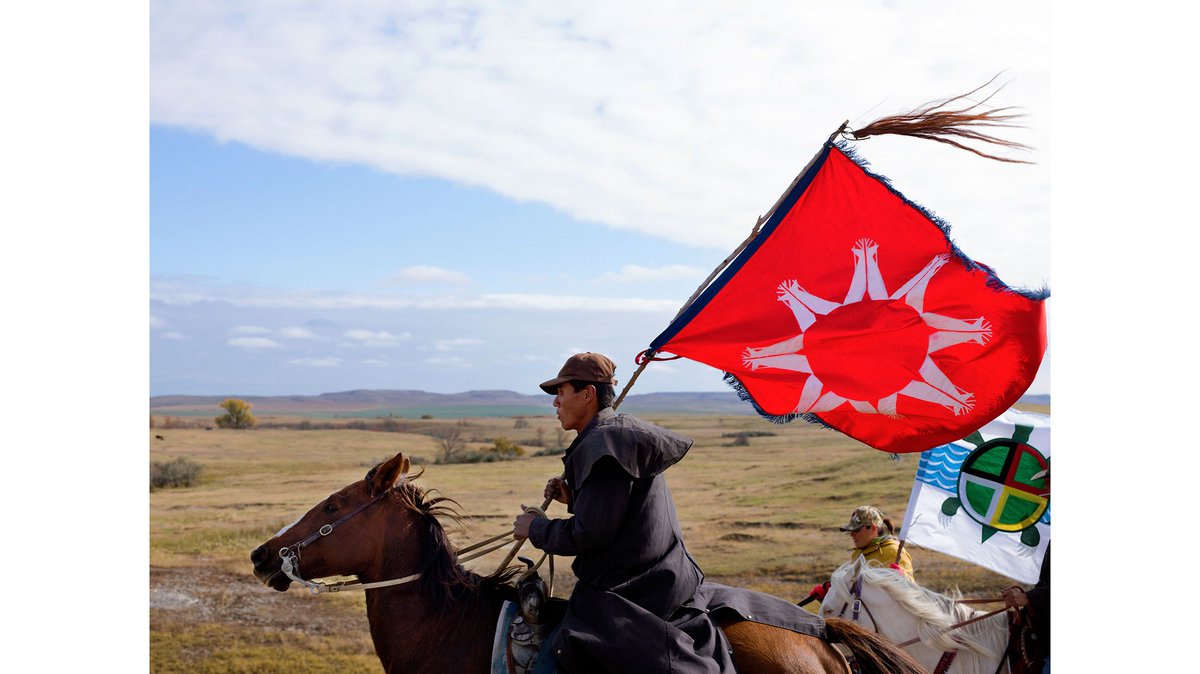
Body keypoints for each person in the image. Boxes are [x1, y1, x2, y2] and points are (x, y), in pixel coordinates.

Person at [514, 352, 805, 673]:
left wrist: (535, 530)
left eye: (561, 392)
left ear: (587, 394)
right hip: (659, 572)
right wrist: (575, 498)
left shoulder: (605, 444)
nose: (556, 402)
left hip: (637, 587)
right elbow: (616, 514)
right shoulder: (612, 436)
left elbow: (589, 535)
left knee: (551, 663)